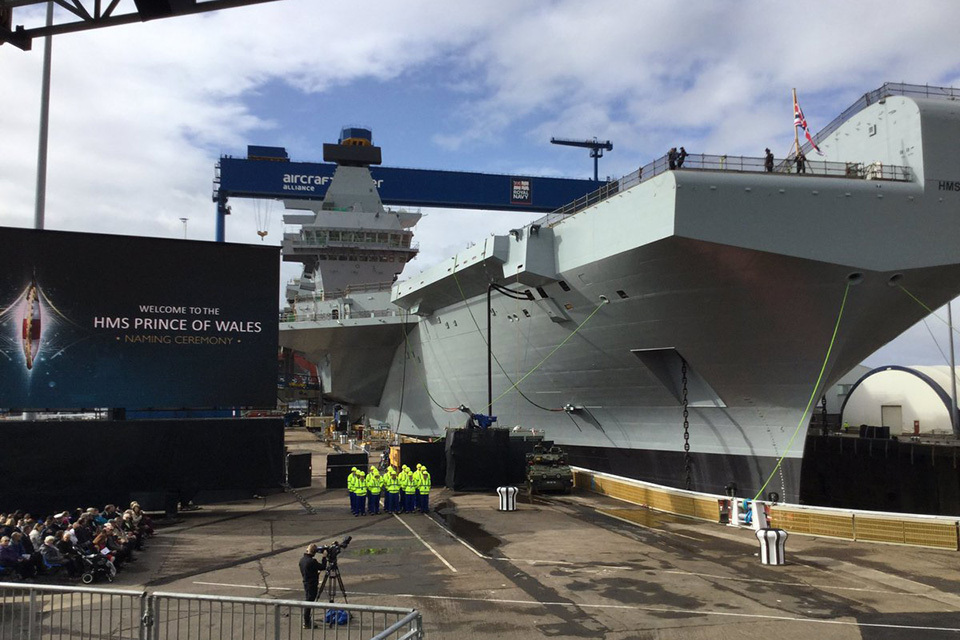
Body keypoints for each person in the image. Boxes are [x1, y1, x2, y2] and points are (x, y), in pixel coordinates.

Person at [299, 544, 328, 629]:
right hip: (312, 584)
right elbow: (323, 567)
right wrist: (324, 557)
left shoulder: (302, 560)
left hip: (306, 582)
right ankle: (307, 622)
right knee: (309, 602)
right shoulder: (312, 561)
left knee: (308, 600)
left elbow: (308, 571)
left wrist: (315, 573)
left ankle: (307, 620)